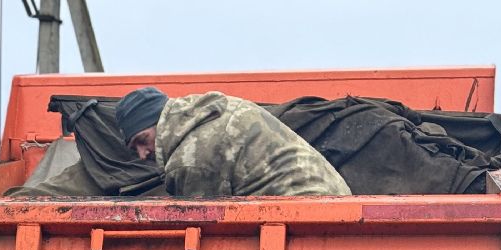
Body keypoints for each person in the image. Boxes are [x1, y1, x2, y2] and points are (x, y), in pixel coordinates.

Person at [115, 85, 351, 198]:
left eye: (142, 140)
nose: (143, 153)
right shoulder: (216, 110)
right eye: (134, 149)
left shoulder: (190, 159)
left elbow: (200, 230)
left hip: (301, 211)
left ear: (161, 122)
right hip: (335, 198)